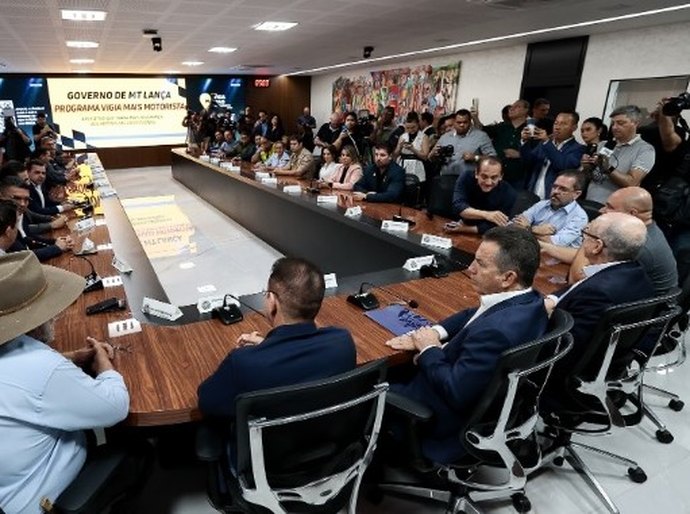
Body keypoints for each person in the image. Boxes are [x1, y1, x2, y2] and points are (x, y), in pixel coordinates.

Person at [385, 226, 548, 463]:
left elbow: (456, 391)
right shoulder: (531, 301)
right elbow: (473, 314)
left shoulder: (496, 332)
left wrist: (429, 350)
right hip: (488, 400)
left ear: (508, 278)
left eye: (481, 264)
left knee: (365, 382)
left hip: (438, 418)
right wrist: (434, 332)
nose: (470, 268)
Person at [0, 251, 134, 514]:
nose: (55, 316)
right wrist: (104, 365)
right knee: (138, 452)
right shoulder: (39, 366)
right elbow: (116, 407)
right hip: (42, 499)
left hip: (8, 492)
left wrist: (70, 357)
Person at [197, 257, 357, 419]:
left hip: (267, 444)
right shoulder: (342, 342)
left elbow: (207, 401)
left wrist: (264, 350)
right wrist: (268, 344)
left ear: (273, 302)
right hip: (328, 439)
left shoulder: (243, 362)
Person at [543, 212, 654, 372]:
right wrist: (554, 299)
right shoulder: (636, 273)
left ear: (597, 246)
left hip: (561, 369)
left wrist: (538, 316)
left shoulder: (597, 293)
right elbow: (577, 288)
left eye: (586, 233)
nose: (583, 236)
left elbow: (562, 348)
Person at [584, 105, 655, 205]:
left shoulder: (645, 150)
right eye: (613, 123)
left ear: (635, 123)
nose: (615, 127)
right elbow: (592, 177)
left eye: (621, 123)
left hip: (615, 209)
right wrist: (587, 167)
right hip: (590, 202)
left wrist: (608, 168)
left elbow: (631, 182)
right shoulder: (603, 145)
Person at [0, 177, 73, 261]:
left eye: (26, 199)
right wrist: (56, 248)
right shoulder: (4, 221)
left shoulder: (18, 213)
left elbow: (27, 238)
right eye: (17, 198)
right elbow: (22, 256)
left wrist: (56, 241)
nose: (23, 204)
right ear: (1, 196)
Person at [512, 170, 588, 248]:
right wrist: (535, 230)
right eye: (554, 186)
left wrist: (528, 229)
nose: (555, 191)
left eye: (563, 189)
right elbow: (513, 225)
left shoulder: (579, 217)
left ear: (576, 194)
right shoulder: (542, 204)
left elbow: (554, 244)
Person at [521, 110, 585, 199]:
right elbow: (528, 162)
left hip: (554, 196)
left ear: (574, 127)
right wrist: (525, 142)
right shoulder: (544, 143)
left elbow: (563, 166)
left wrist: (547, 142)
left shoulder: (578, 148)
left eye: (563, 124)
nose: (557, 127)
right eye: (556, 123)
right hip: (533, 191)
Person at [446, 156, 517, 235]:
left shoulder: (509, 193)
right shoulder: (466, 177)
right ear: (476, 173)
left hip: (487, 235)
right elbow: (458, 206)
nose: (488, 182)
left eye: (494, 178)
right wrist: (487, 215)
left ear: (501, 177)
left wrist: (464, 229)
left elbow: (497, 225)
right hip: (459, 222)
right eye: (484, 176)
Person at [475, 99, 530, 188]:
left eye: (517, 107)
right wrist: (475, 117)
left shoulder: (530, 130)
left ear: (526, 110)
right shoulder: (501, 127)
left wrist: (520, 154)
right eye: (511, 107)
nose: (512, 109)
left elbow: (536, 155)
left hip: (516, 177)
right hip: (494, 175)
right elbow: (481, 129)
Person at [429, 109, 496, 176]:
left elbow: (493, 158)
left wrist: (475, 157)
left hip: (469, 179)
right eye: (459, 122)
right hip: (446, 177)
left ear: (470, 122)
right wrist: (434, 155)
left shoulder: (481, 136)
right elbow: (431, 158)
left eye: (465, 122)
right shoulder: (445, 137)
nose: (462, 125)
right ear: (454, 122)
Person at [393, 111, 430, 184]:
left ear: (417, 124)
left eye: (413, 127)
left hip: (417, 164)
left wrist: (413, 149)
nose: (410, 130)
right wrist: (400, 147)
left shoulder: (423, 137)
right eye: (408, 128)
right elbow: (395, 155)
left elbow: (425, 156)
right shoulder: (403, 136)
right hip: (403, 164)